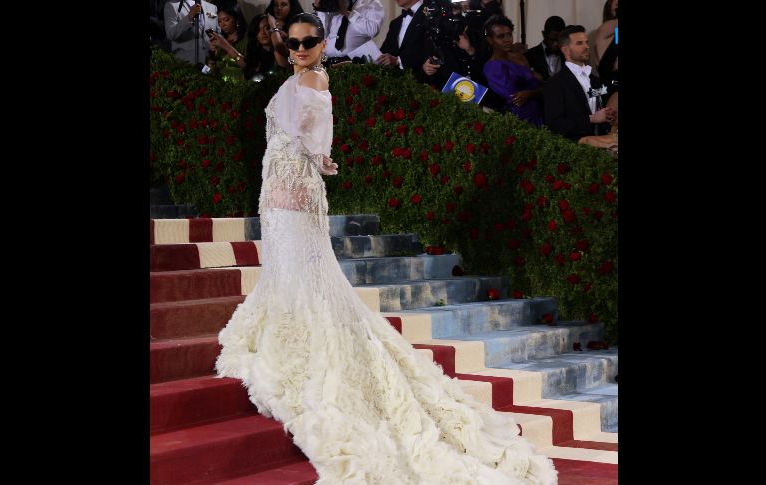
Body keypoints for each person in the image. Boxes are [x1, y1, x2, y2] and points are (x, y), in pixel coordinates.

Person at [215, 11, 558, 484]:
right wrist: (312, 165)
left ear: (321, 43)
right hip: (283, 189)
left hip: (289, 192)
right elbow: (309, 145)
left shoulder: (312, 80)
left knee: (301, 272)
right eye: (292, 42)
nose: (299, 49)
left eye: (310, 41)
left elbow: (313, 140)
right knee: (298, 274)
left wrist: (312, 166)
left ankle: (309, 343)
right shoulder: (304, 78)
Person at [543, 25, 616, 141]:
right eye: (579, 43)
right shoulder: (555, 83)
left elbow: (596, 108)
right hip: (573, 149)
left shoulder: (595, 80)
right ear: (565, 50)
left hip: (599, 146)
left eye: (586, 42)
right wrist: (591, 119)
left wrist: (607, 118)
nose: (586, 46)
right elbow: (555, 125)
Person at [483, 15, 543, 126]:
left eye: (509, 34)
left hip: (539, 111)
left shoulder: (520, 57)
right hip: (519, 120)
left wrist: (531, 93)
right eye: (501, 36)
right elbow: (515, 99)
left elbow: (539, 86)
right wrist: (535, 86)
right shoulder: (492, 67)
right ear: (490, 40)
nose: (507, 40)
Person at [312, 0, 385, 64]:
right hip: (329, 62)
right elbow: (321, 34)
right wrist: (320, 9)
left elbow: (373, 30)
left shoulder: (371, 2)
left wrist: (347, 13)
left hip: (355, 63)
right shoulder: (334, 2)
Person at [164, 0, 221, 66]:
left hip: (210, 63)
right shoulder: (172, 6)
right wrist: (189, 17)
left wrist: (216, 47)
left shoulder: (212, 7)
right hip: (186, 65)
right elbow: (171, 34)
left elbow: (218, 33)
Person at [207, 2, 249, 82]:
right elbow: (213, 70)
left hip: (241, 86)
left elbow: (247, 65)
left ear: (236, 19)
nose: (222, 25)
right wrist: (212, 56)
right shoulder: (220, 39)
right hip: (221, 85)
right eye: (219, 21)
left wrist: (226, 46)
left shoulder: (247, 38)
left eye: (226, 20)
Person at [524, 15, 566, 82]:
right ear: (543, 34)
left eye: (559, 40)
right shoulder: (530, 55)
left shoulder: (568, 55)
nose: (556, 44)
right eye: (552, 40)